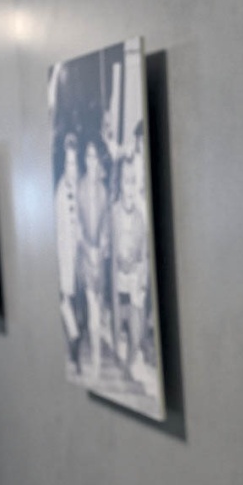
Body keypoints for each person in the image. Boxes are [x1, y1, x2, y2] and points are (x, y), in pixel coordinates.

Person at [111, 157, 151, 387]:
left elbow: (144, 255)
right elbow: (108, 247)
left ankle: (129, 364)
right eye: (127, 181)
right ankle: (123, 365)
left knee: (135, 333)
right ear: (121, 184)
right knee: (120, 329)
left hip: (133, 282)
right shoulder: (114, 213)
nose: (130, 187)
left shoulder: (140, 218)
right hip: (118, 284)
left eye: (133, 181)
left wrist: (140, 280)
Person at [77, 138, 110, 382]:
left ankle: (96, 352)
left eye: (95, 157)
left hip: (100, 257)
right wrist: (87, 249)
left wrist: (102, 248)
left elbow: (106, 224)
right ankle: (97, 363)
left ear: (98, 161)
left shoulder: (103, 191)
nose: (91, 161)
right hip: (85, 257)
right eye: (88, 157)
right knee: (92, 309)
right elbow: (77, 224)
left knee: (97, 305)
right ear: (85, 159)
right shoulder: (79, 188)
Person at [55, 133, 84, 372]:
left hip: (81, 259)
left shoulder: (81, 186)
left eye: (73, 163)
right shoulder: (60, 193)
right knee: (68, 304)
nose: (70, 168)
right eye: (68, 163)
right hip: (66, 257)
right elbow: (60, 233)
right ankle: (74, 353)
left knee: (80, 308)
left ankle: (77, 346)